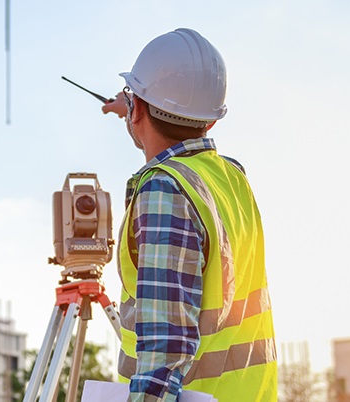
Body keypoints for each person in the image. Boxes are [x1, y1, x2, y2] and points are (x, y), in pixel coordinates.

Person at [100, 28, 277, 401]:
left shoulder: (165, 191)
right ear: (212, 120)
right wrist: (134, 106)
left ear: (139, 112)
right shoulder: (231, 177)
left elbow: (165, 349)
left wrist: (136, 107)